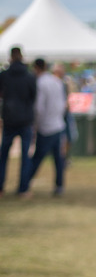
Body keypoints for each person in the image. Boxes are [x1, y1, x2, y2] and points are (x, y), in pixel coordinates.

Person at [0, 46, 37, 197]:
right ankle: (23, 188)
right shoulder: (29, 76)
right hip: (25, 120)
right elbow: (33, 97)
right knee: (25, 156)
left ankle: (0, 188)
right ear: (21, 57)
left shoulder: (4, 75)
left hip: (9, 119)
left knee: (3, 156)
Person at [27, 58, 67, 196]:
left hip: (46, 126)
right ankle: (59, 185)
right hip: (58, 124)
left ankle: (25, 183)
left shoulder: (40, 83)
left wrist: (36, 124)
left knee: (37, 158)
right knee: (59, 159)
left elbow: (39, 107)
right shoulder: (57, 82)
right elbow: (63, 104)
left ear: (36, 68)